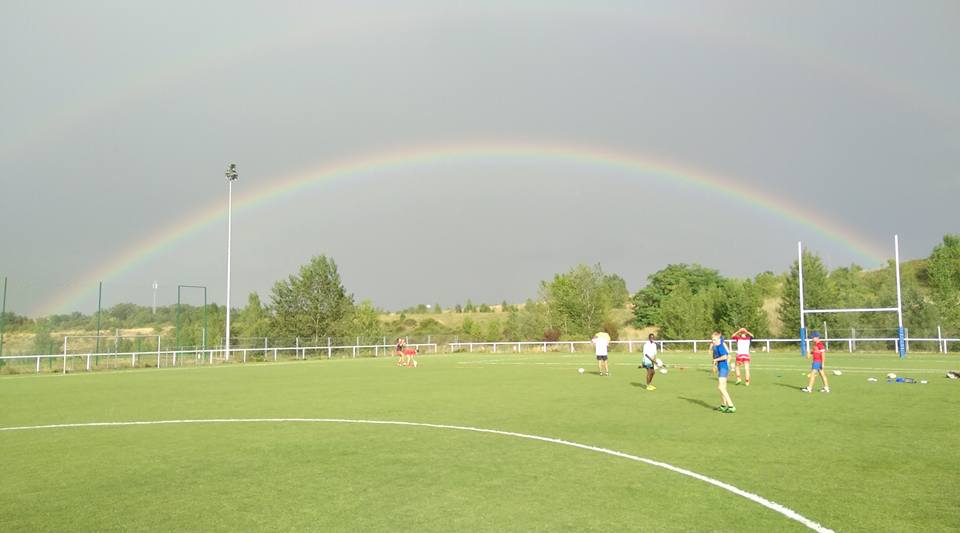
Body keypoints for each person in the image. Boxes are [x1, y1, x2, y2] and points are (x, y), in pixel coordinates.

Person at [712, 331, 735, 413]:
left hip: (723, 368)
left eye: (714, 339)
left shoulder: (720, 346)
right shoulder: (717, 345)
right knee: (723, 387)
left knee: (720, 387)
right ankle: (723, 405)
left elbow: (725, 356)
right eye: (712, 339)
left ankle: (731, 406)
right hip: (721, 367)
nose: (713, 341)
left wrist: (715, 359)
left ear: (718, 339)